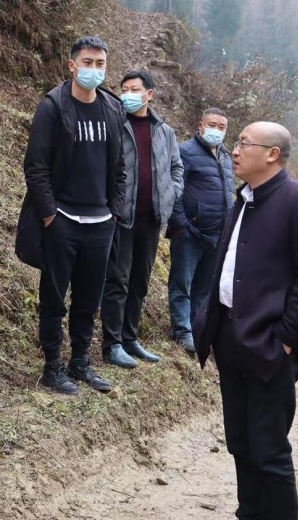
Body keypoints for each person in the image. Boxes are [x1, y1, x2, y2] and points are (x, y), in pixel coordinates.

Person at [194, 122, 298, 520]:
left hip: (270, 343)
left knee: (270, 446)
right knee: (240, 440)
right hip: (230, 338)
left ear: (272, 154)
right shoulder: (244, 197)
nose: (235, 150)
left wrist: (288, 337)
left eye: (243, 144)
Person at [20, 36, 127, 395]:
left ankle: (80, 362)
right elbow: (36, 167)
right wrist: (50, 215)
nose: (93, 70)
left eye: (100, 64)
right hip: (63, 219)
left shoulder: (112, 108)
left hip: (101, 223)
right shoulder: (53, 106)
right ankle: (52, 365)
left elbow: (122, 166)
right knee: (53, 297)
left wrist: (114, 211)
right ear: (71, 65)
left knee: (88, 298)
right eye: (87, 62)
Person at [100, 70, 182, 368]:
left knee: (140, 282)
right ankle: (112, 344)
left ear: (150, 94)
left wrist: (172, 193)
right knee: (118, 281)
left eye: (134, 89)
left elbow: (176, 168)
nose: (128, 94)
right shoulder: (115, 124)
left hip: (152, 218)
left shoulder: (164, 131)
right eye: (124, 89)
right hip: (122, 217)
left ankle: (130, 338)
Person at [166, 107, 234, 355]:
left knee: (204, 286)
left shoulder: (226, 157)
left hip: (217, 234)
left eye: (222, 127)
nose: (217, 130)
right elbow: (175, 189)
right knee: (182, 282)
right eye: (212, 125)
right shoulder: (185, 151)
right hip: (190, 233)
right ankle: (181, 329)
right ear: (200, 125)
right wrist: (181, 224)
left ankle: (196, 327)